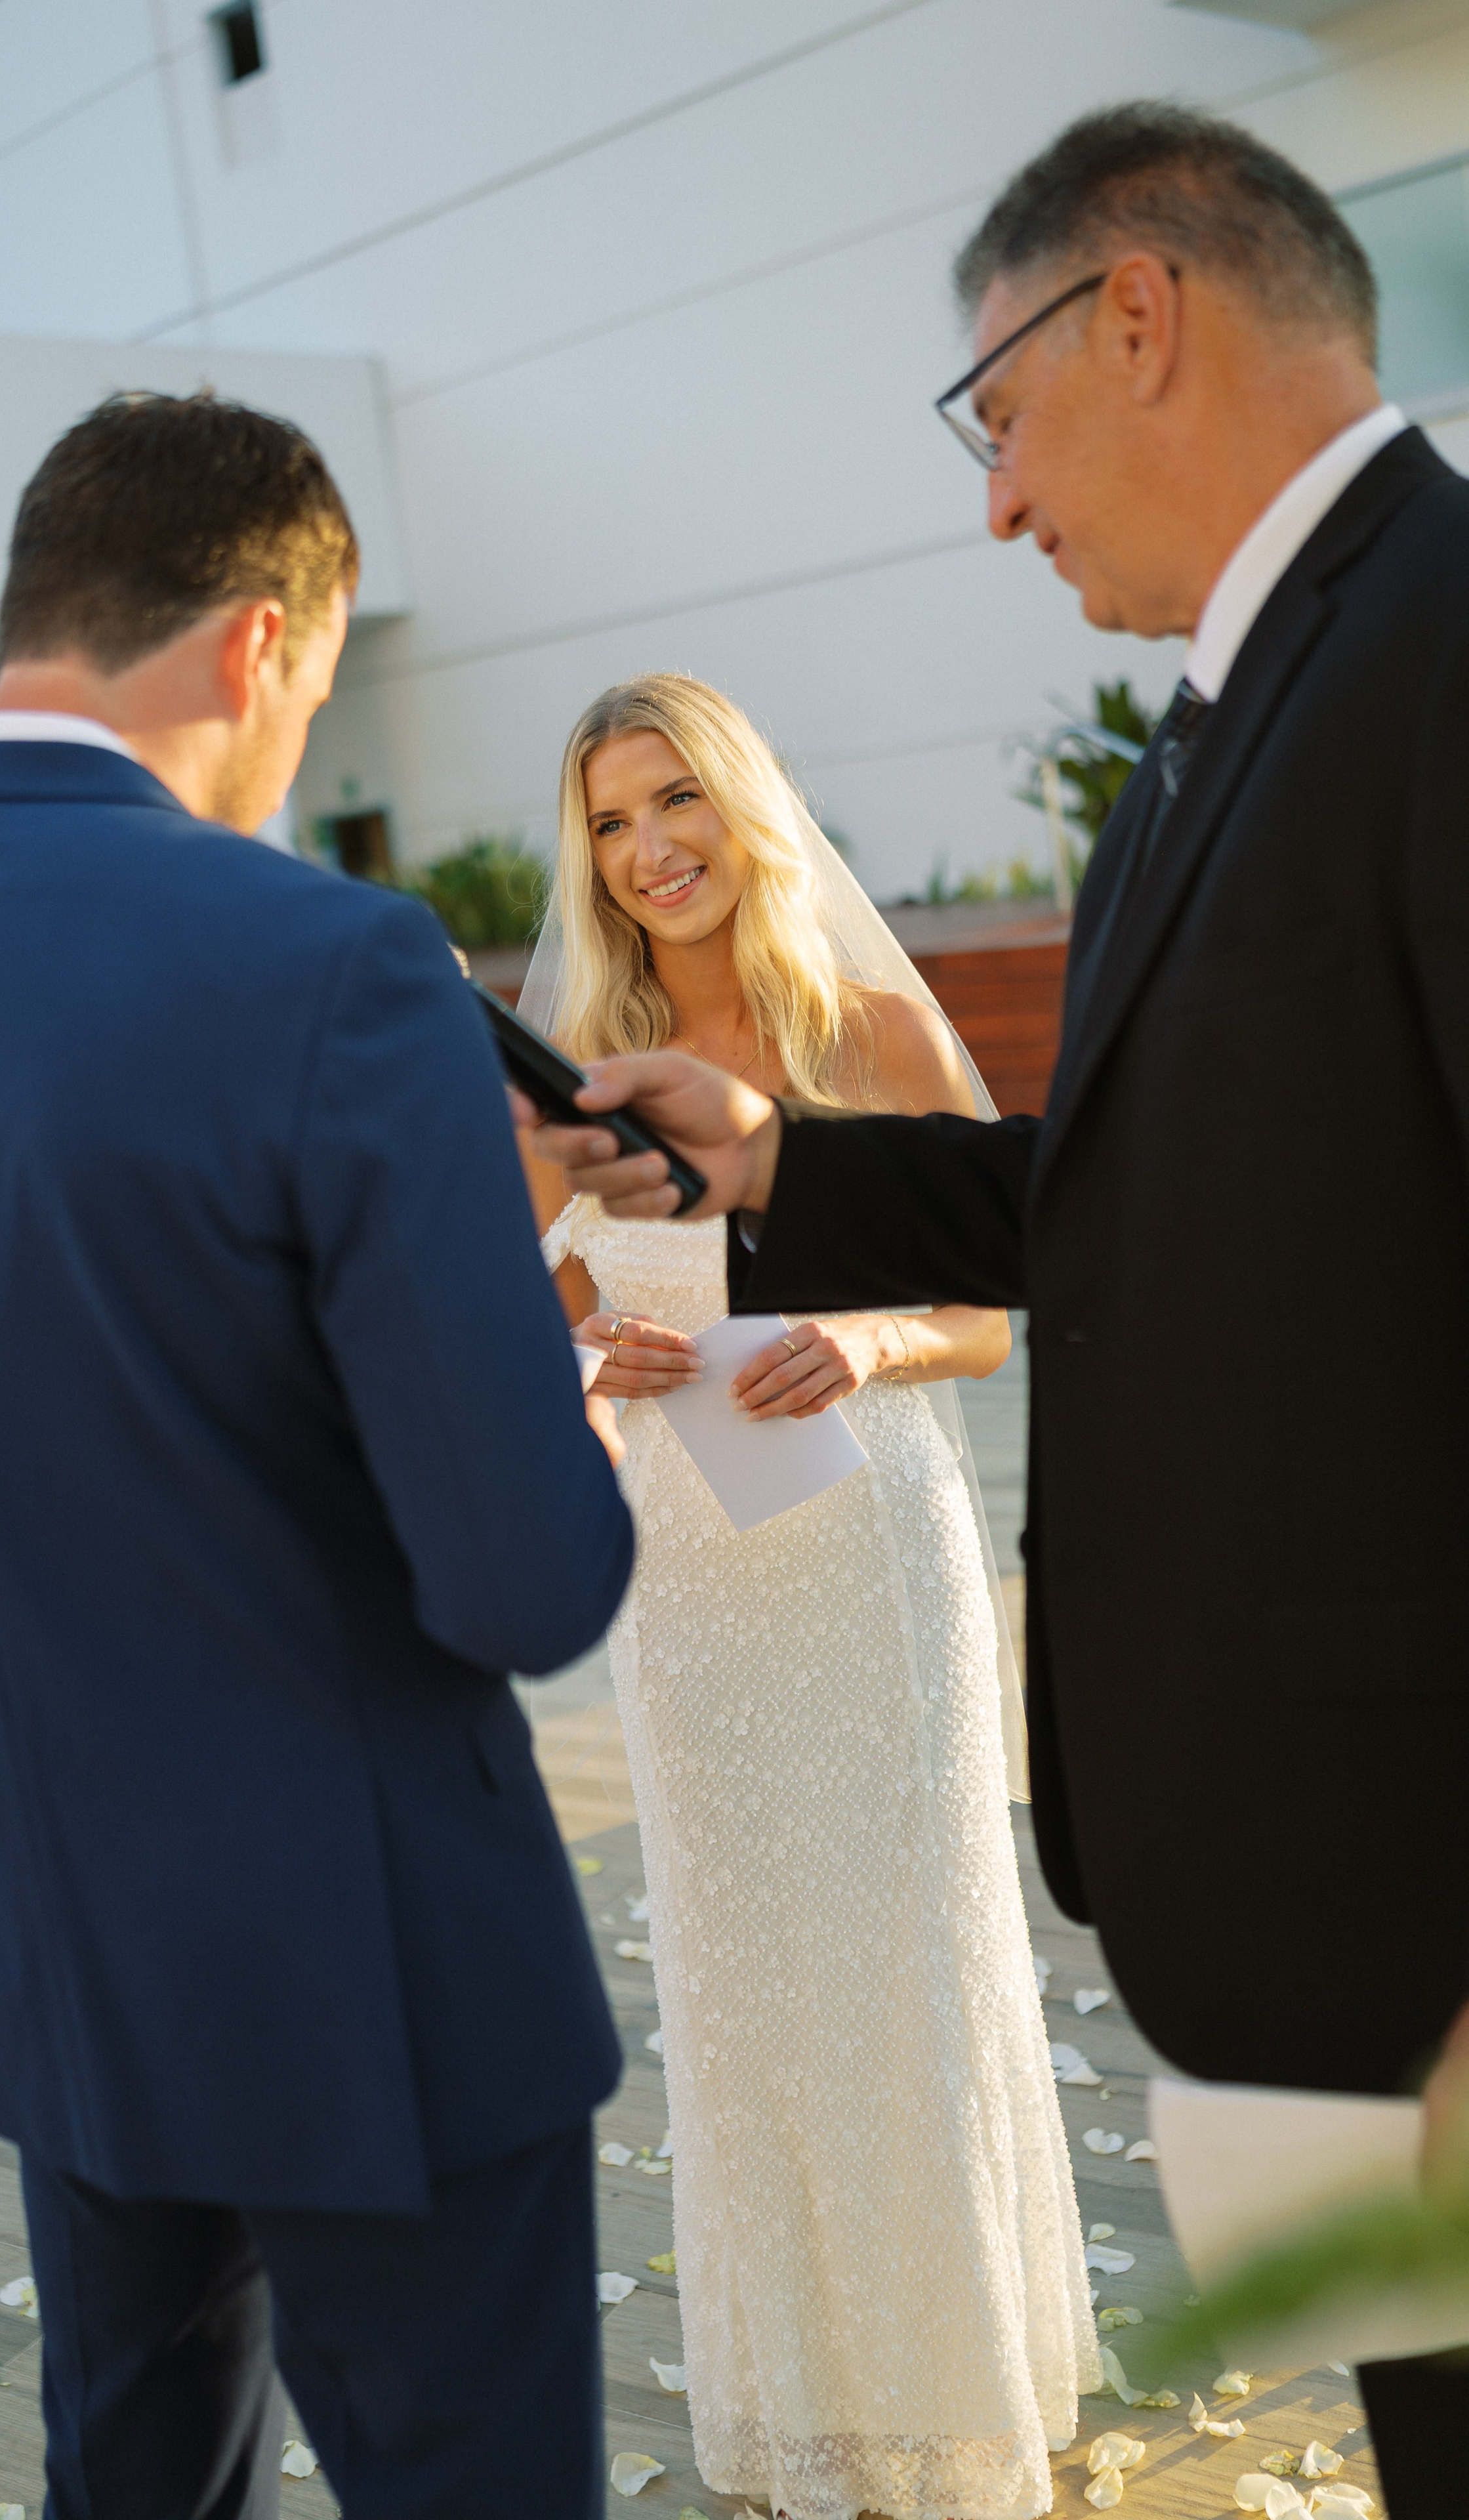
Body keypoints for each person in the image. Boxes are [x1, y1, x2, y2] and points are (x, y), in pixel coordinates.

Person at [524, 105, 1469, 2519]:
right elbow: (1135, 1198)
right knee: (1413, 2426)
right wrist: (768, 1174)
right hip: (1286, 1899)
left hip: (1421, 1879)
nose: (998, 501)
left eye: (1001, 418)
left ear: (1135, 316)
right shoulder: (1200, 744)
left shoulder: (1442, 656)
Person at [0, 390, 634, 2520]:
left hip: (41, 1932)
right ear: (261, 643)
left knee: (137, 2483)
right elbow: (528, 1581)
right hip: (371, 1972)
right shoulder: (334, 966)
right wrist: (505, 1264)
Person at [522, 673, 1097, 2520]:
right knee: (745, 1989)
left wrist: (860, 1337)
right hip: (686, 1586)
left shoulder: (864, 1031)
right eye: (611, 821)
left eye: (674, 798)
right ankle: (798, 2415)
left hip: (866, 1562)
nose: (649, 847)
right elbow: (536, 1315)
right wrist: (586, 1363)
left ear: (743, 802)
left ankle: (952, 2412)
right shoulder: (578, 1069)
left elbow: (994, 1317)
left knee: (904, 1976)